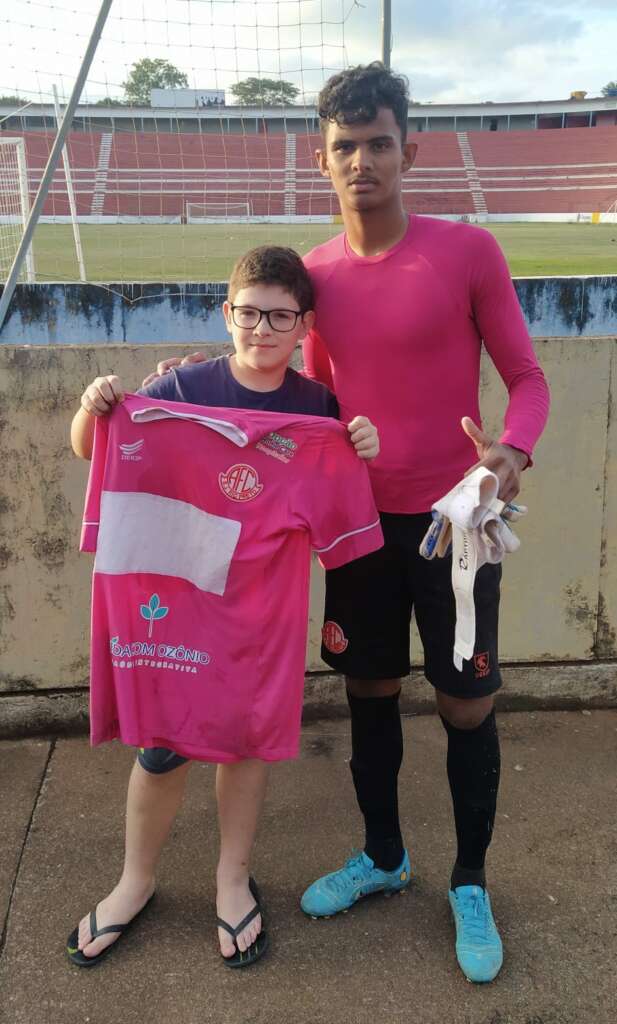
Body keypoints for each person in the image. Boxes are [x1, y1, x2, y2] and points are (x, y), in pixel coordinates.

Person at [145, 63, 550, 983]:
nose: (361, 161)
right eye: (343, 147)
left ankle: (470, 881)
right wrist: (190, 390)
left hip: (456, 527)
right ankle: (382, 855)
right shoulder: (316, 277)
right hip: (355, 530)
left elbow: (526, 378)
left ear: (409, 150)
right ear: (320, 160)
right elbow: (300, 397)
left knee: (464, 701)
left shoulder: (468, 252)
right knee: (367, 689)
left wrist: (509, 452)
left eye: (377, 143)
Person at [66, 245, 380, 970]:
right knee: (161, 745)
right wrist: (94, 409)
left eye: (279, 316)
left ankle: (231, 878)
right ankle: (133, 881)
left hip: (259, 611)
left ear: (303, 326)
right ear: (225, 312)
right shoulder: (177, 385)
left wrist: (358, 446)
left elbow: (341, 513)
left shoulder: (316, 410)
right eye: (248, 312)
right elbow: (95, 450)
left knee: (244, 741)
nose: (261, 328)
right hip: (175, 598)